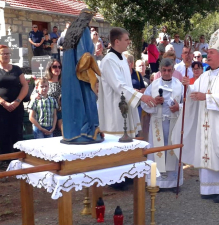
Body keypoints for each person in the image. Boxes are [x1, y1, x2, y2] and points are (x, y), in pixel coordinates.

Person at [172, 29, 219, 203]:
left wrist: (207, 97)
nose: (208, 55)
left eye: (211, 53)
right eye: (207, 53)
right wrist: (189, 88)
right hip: (205, 123)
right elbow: (196, 94)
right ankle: (209, 188)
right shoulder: (204, 75)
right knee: (206, 152)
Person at [98, 27, 157, 137]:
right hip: (115, 111)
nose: (129, 42)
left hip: (126, 106)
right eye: (126, 40)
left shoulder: (123, 59)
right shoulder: (109, 60)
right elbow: (119, 86)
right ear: (117, 41)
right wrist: (141, 96)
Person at [61, 9, 103, 144]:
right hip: (80, 75)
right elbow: (84, 57)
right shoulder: (84, 31)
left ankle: (70, 133)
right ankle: (86, 132)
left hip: (68, 73)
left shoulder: (70, 31)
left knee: (71, 101)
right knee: (84, 100)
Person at [142, 58, 183, 191]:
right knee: (157, 152)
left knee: (172, 150)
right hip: (157, 124)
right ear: (160, 70)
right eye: (164, 70)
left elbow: (186, 104)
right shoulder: (153, 85)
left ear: (173, 70)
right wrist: (154, 101)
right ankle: (156, 182)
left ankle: (173, 183)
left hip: (173, 123)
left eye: (169, 70)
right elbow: (144, 103)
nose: (166, 73)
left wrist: (179, 107)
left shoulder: (179, 85)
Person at [0, 45, 29, 157]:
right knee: (3, 133)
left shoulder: (16, 69)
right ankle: (5, 160)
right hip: (1, 108)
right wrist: (4, 103)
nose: (6, 55)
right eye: (3, 53)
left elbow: (25, 85)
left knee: (17, 132)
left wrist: (17, 101)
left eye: (8, 53)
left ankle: (18, 158)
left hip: (17, 106)